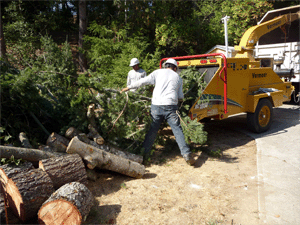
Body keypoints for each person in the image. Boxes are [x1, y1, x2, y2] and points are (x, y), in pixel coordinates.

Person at [121, 58, 196, 165]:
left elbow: (142, 81)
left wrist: (128, 87)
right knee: (177, 129)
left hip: (156, 105)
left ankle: (144, 154)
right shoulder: (178, 77)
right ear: (175, 68)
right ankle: (186, 153)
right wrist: (179, 99)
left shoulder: (157, 72)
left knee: (153, 129)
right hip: (170, 106)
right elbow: (180, 96)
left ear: (166, 65)